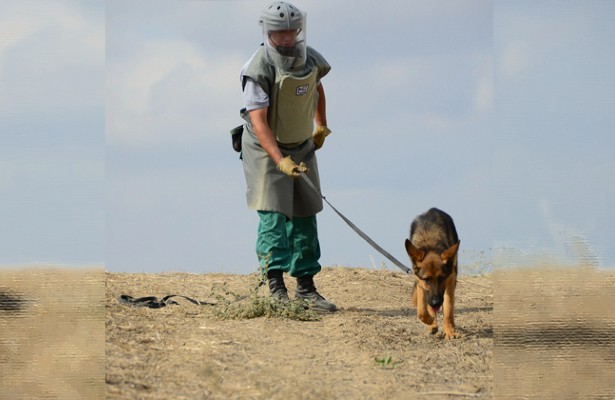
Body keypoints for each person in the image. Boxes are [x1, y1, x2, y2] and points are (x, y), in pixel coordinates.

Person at [238, 1, 336, 312]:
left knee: (306, 213)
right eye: (282, 31)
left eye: (294, 29)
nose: (289, 36)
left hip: (301, 143)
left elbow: (316, 88)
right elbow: (258, 122)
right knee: (274, 214)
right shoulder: (258, 68)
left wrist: (320, 125)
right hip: (265, 147)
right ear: (269, 31)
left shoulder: (308, 57)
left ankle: (306, 289)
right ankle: (276, 288)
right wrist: (279, 160)